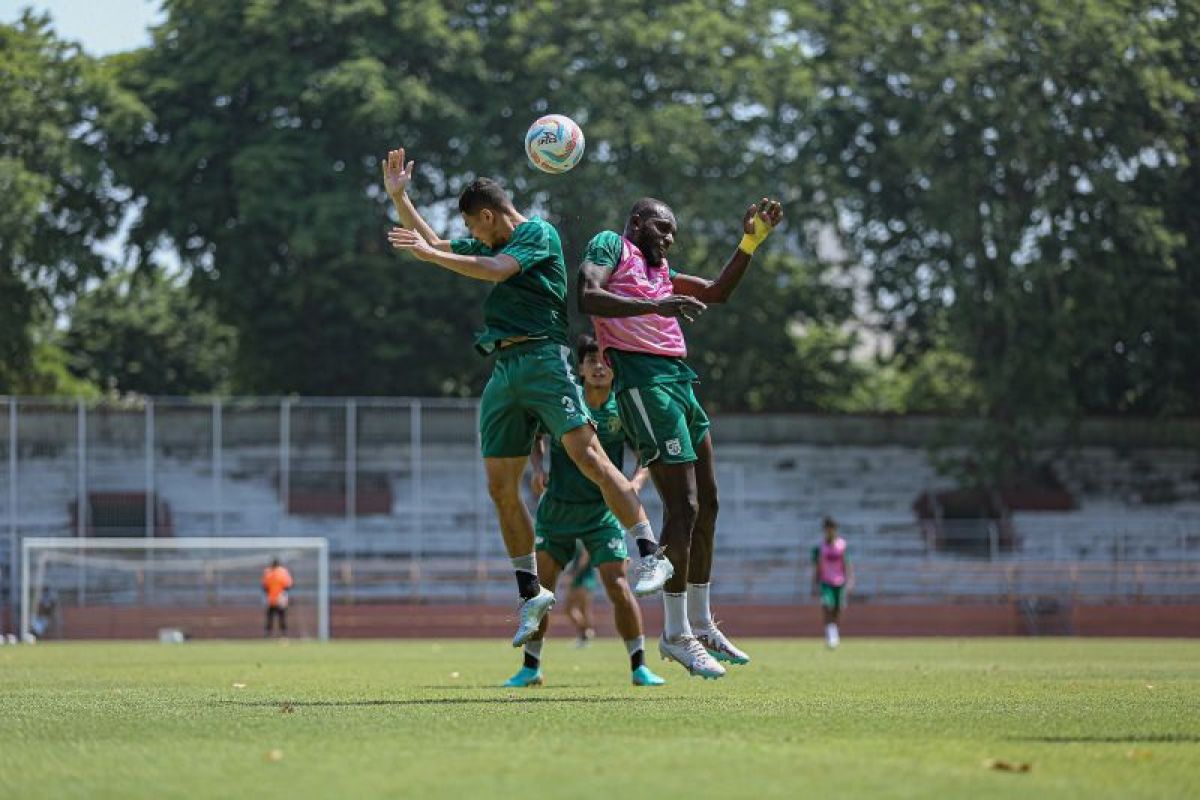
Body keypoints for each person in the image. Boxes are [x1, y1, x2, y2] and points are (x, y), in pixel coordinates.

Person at [382, 148, 672, 648]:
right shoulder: (490, 237)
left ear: (490, 215)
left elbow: (493, 268)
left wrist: (432, 255)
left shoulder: (537, 233)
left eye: (474, 226)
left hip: (544, 361)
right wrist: (400, 199)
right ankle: (529, 592)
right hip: (504, 368)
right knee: (500, 487)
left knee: (589, 458)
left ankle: (650, 551)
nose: (471, 236)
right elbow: (435, 243)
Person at [578, 196, 783, 678]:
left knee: (708, 503)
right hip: (644, 383)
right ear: (635, 224)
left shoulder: (662, 273)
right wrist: (656, 302)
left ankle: (702, 620)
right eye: (661, 228)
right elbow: (588, 294)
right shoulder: (613, 246)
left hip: (679, 382)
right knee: (683, 507)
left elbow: (716, 292)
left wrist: (750, 242)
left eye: (673, 232)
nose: (668, 238)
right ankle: (675, 634)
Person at [505, 336, 666, 687]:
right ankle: (531, 668)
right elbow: (535, 432)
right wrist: (537, 466)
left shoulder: (622, 408)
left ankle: (639, 666)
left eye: (604, 361)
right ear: (579, 368)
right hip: (557, 510)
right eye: (590, 360)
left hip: (602, 513)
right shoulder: (566, 400)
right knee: (541, 591)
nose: (597, 366)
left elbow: (648, 453)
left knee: (618, 584)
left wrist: (635, 483)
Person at [812, 517, 853, 648]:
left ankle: (835, 633)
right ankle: (831, 635)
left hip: (839, 582)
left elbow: (847, 564)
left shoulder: (842, 545)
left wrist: (850, 579)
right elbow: (817, 566)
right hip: (826, 582)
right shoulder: (820, 547)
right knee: (827, 607)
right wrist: (815, 582)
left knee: (837, 610)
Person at [262, 558, 293, 637]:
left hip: (277, 598)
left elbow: (265, 586)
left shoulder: (271, 572)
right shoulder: (281, 572)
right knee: (274, 616)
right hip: (276, 598)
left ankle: (277, 633)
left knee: (277, 616)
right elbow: (288, 585)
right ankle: (278, 633)